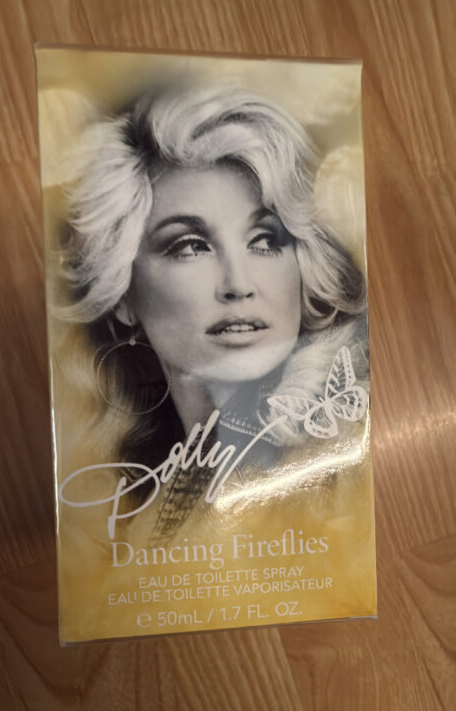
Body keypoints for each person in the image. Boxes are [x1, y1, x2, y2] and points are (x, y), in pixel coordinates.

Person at [60, 82, 368, 544]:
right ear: (122, 293)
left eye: (264, 240)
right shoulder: (138, 507)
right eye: (190, 247)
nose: (239, 284)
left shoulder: (345, 461)